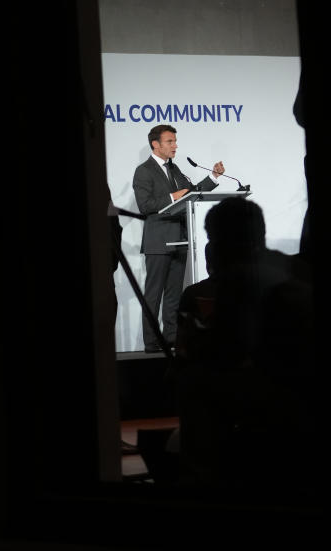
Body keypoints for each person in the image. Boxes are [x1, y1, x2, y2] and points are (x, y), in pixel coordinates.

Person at [172, 197, 315, 491]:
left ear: (223, 243)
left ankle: (208, 479)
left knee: (191, 382)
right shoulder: (291, 266)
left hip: (283, 396)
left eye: (213, 240)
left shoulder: (240, 278)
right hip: (304, 391)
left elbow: (227, 352)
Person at [132, 124, 224, 353]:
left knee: (174, 295)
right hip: (158, 241)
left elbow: (191, 193)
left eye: (175, 141)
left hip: (179, 239)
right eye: (170, 141)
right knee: (153, 295)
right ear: (156, 144)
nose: (175, 146)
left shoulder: (175, 169)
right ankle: (152, 343)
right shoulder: (143, 170)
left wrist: (212, 177)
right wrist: (173, 196)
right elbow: (146, 206)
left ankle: (171, 338)